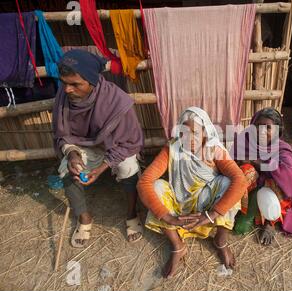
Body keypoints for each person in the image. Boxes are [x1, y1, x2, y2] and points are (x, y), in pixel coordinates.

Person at [137, 107, 246, 278]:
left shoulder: (214, 150)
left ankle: (220, 241)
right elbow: (144, 181)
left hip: (207, 204)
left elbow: (240, 180)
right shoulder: (172, 149)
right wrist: (168, 217)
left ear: (205, 132)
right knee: (157, 187)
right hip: (180, 205)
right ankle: (177, 246)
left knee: (227, 183)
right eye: (184, 132)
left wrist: (212, 214)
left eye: (195, 132)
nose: (189, 138)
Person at [53, 50, 145, 248]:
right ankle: (84, 218)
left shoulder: (117, 101)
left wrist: (103, 167)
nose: (67, 89)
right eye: (64, 82)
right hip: (83, 145)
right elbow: (62, 134)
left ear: (92, 82)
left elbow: (131, 143)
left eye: (75, 84)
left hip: (117, 145)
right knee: (66, 169)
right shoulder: (63, 95)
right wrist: (72, 153)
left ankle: (131, 213)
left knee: (128, 168)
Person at [232, 108, 292, 245]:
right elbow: (232, 162)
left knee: (274, 179)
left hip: (272, 193)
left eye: (267, 128)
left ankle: (270, 221)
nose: (261, 131)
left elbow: (285, 175)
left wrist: (254, 162)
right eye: (258, 126)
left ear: (277, 131)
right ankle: (242, 209)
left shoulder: (282, 150)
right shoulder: (245, 139)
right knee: (243, 171)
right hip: (250, 189)